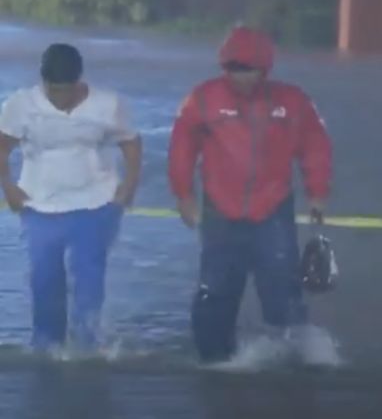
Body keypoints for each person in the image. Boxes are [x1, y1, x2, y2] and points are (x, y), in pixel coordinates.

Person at [168, 26, 333, 363]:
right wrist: (183, 194)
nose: (240, 77)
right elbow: (181, 148)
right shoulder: (201, 99)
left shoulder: (293, 102)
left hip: (273, 209)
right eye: (233, 69)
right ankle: (213, 359)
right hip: (219, 210)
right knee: (216, 287)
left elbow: (315, 146)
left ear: (265, 69)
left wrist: (317, 193)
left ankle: (294, 355)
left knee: (282, 286)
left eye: (249, 70)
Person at [0, 43, 141, 351]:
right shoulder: (20, 105)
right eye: (54, 90)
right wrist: (8, 186)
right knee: (44, 280)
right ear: (43, 81)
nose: (60, 97)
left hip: (96, 203)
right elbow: (3, 146)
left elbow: (130, 144)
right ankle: (47, 347)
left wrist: (128, 186)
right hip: (39, 204)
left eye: (67, 90)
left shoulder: (108, 104)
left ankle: (87, 348)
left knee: (88, 281)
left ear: (79, 81)